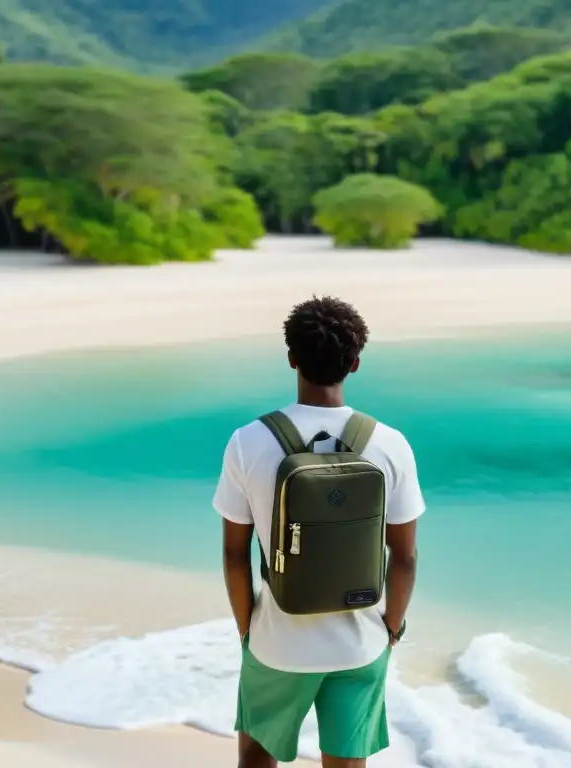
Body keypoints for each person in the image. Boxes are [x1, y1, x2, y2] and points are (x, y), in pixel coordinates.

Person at [213, 295, 425, 768]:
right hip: (359, 641)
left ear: (291, 358)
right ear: (355, 362)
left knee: (256, 754)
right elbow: (405, 558)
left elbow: (234, 555)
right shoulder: (390, 444)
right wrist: (391, 627)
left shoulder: (248, 442)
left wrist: (249, 630)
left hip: (277, 640)